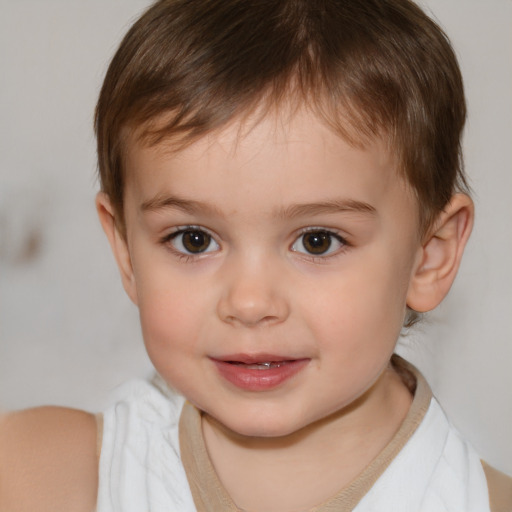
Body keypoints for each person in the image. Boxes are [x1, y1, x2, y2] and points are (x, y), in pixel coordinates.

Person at [0, 0, 511, 510]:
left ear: (429, 256)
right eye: (193, 239)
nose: (249, 303)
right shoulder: (39, 477)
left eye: (317, 241)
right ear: (127, 251)